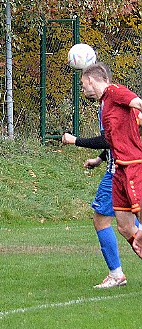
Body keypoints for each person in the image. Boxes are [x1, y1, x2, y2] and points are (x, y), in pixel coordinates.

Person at [80, 62, 142, 259]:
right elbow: (112, 139)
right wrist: (100, 159)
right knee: (125, 227)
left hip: (133, 165)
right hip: (118, 170)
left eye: (83, 84)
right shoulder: (105, 103)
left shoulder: (114, 91)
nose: (83, 89)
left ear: (90, 80)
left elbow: (139, 104)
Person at [62, 130, 127, 288]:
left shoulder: (112, 105)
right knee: (130, 223)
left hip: (117, 173)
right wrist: (99, 159)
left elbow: (110, 139)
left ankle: (116, 274)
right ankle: (116, 274)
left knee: (103, 222)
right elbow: (118, 140)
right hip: (129, 169)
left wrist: (75, 140)